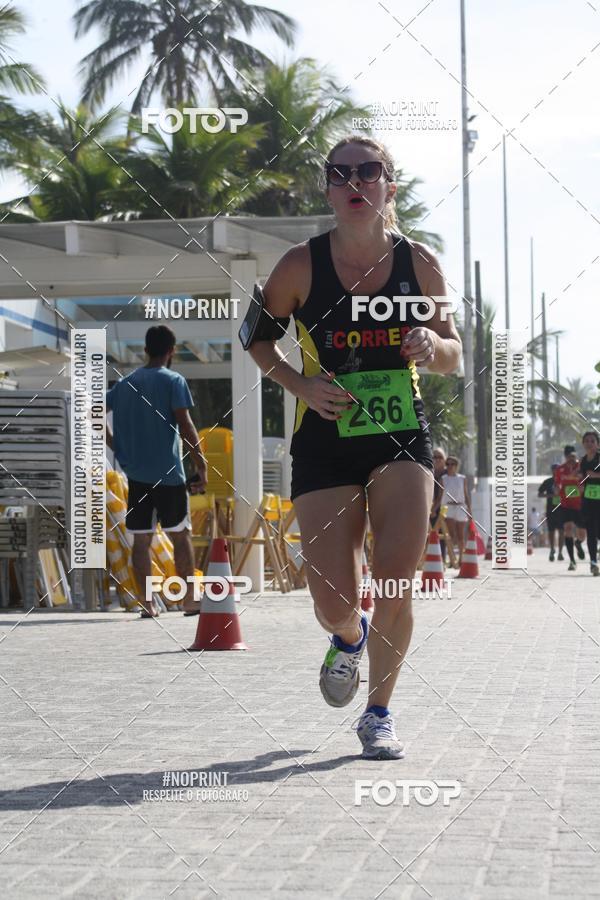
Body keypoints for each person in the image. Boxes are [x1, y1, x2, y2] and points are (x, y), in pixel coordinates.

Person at [240, 135, 462, 759]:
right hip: (326, 437)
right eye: (341, 174)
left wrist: (429, 345)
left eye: (369, 171)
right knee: (332, 600)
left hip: (399, 436)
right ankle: (347, 639)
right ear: (328, 189)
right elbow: (257, 341)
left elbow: (454, 351)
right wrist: (302, 384)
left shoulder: (418, 262)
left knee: (396, 582)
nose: (355, 182)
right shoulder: (298, 266)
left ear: (391, 184)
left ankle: (379, 713)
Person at [106, 325, 207, 616]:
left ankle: (147, 603)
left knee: (141, 539)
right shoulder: (173, 380)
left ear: (146, 350)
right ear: (171, 351)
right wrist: (201, 465)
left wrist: (117, 448)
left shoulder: (124, 385)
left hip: (136, 475)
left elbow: (94, 414)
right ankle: (189, 599)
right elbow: (186, 425)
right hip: (169, 475)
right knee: (180, 535)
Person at [554, 445, 586, 571]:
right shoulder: (560, 469)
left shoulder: (581, 467)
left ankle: (578, 543)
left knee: (582, 534)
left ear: (575, 455)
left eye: (572, 456)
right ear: (565, 457)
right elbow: (557, 484)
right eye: (568, 457)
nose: (570, 459)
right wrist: (556, 489)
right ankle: (572, 561)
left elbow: (586, 481)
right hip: (565, 504)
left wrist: (582, 487)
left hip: (580, 505)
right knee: (567, 529)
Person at [440, 457, 472, 566]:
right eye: (447, 464)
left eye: (452, 464)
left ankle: (461, 559)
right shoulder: (443, 478)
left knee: (460, 535)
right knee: (451, 535)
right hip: (448, 507)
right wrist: (434, 509)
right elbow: (440, 496)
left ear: (456, 466)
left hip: (461, 507)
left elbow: (466, 494)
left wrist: (469, 509)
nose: (449, 466)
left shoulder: (462, 478)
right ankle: (452, 557)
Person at [580, 430, 600, 576]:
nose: (589, 443)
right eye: (587, 441)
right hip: (588, 501)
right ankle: (593, 563)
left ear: (597, 444)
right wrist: (580, 486)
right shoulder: (583, 460)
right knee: (591, 533)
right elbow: (583, 479)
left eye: (592, 441)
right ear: (583, 444)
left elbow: (592, 476)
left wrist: (596, 475)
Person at [538, 463, 564, 561]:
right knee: (551, 531)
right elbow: (540, 494)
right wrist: (550, 496)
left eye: (557, 469)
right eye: (554, 469)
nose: (555, 471)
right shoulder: (547, 482)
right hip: (551, 510)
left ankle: (560, 552)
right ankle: (552, 549)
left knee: (562, 531)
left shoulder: (563, 480)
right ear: (552, 470)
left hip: (562, 509)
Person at [430, 447, 448, 560]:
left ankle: (442, 558)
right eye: (434, 457)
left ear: (444, 459)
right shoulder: (429, 473)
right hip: (430, 507)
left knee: (443, 533)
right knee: (430, 533)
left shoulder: (448, 474)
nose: (437, 459)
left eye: (440, 457)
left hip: (444, 507)